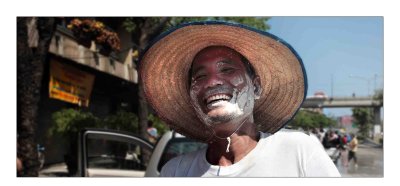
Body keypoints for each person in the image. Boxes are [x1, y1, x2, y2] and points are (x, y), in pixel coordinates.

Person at [140, 21, 340, 177]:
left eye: (227, 70)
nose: (212, 82)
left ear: (256, 86)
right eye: (200, 76)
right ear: (193, 98)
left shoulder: (299, 151)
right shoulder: (176, 172)